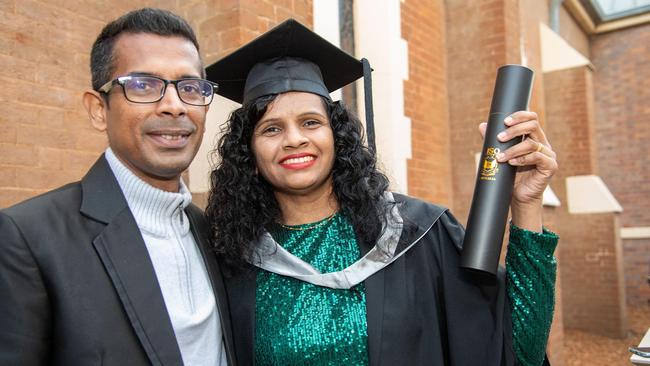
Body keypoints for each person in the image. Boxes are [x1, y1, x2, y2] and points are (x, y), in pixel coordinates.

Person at [205, 19, 558, 366]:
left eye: (311, 122)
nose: (294, 138)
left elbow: (516, 349)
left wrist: (526, 205)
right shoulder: (235, 259)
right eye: (271, 128)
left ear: (338, 138)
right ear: (249, 155)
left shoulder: (417, 234)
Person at [0, 8, 234, 366]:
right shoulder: (28, 239)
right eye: (143, 85)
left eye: (189, 87)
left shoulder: (211, 231)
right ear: (98, 110)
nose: (174, 106)